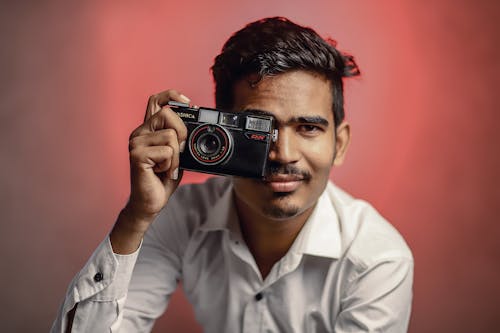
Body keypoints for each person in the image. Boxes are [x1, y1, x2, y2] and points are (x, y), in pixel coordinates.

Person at [52, 17, 413, 333]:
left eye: (307, 128)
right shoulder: (182, 217)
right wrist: (137, 216)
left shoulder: (376, 259)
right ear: (221, 130)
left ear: (340, 144)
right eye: (261, 130)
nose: (283, 154)